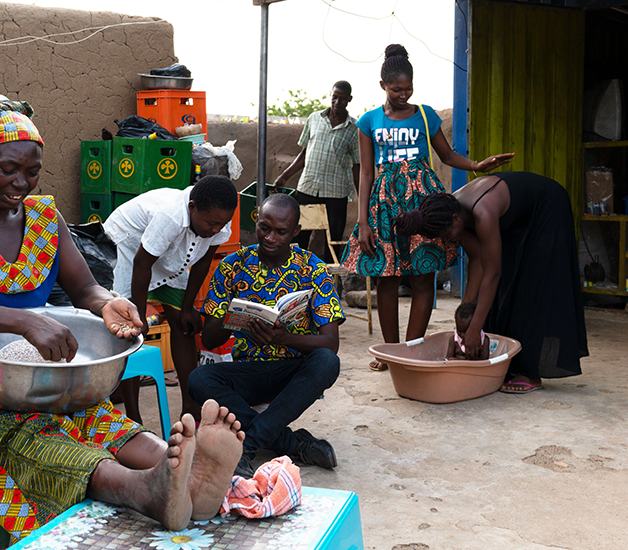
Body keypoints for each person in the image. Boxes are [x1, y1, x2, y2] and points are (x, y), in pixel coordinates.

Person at [0, 94, 244, 540]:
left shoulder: (45, 218)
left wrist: (108, 303)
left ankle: (189, 475)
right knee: (33, 441)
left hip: (35, 377)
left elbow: (84, 288)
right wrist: (24, 321)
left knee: (95, 416)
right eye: (9, 169)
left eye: (32, 171)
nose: (21, 183)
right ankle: (144, 490)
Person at [346, 44, 514, 372]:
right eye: (397, 89)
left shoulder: (426, 115)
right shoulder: (368, 121)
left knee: (423, 278)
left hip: (424, 203)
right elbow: (366, 173)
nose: (403, 94)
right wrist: (362, 219)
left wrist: (478, 165)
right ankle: (390, 353)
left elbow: (448, 157)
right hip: (386, 207)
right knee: (388, 279)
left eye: (408, 88)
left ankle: (411, 352)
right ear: (383, 86)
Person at [188, 193, 344, 479]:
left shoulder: (314, 270)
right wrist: (239, 322)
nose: (270, 237)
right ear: (256, 222)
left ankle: (247, 447)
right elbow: (209, 340)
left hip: (292, 371)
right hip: (249, 370)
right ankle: (292, 443)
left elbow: (330, 343)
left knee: (326, 362)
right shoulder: (233, 267)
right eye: (264, 227)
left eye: (281, 232)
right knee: (199, 379)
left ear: (296, 232)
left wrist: (283, 338)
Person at [395, 171, 588, 393]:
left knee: (533, 285)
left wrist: (475, 328)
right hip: (519, 215)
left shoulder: (482, 213)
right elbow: (478, 260)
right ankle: (510, 363)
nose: (447, 239)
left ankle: (531, 373)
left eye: (446, 233)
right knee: (505, 286)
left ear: (456, 220)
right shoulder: (454, 214)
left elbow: (492, 274)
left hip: (547, 207)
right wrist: (464, 315)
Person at [103, 176, 237, 422]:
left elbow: (203, 262)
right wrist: (139, 316)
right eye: (211, 223)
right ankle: (133, 418)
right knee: (130, 331)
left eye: (222, 224)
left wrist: (187, 307)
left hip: (167, 253)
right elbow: (142, 264)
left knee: (184, 325)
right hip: (128, 247)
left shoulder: (217, 219)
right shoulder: (170, 216)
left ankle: (191, 406)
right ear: (192, 207)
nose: (217, 230)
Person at [273, 80, 360, 260]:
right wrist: (284, 175)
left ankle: (331, 284)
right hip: (308, 188)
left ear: (349, 100)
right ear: (331, 96)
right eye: (334, 97)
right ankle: (297, 279)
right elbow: (304, 155)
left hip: (336, 193)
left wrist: (363, 198)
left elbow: (357, 165)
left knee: (334, 242)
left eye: (342, 99)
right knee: (299, 237)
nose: (337, 102)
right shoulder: (314, 119)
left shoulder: (353, 128)